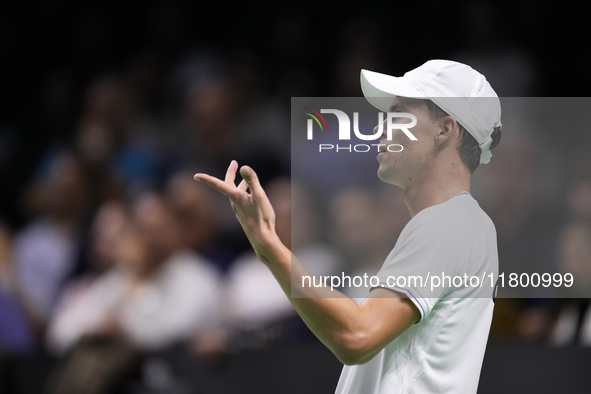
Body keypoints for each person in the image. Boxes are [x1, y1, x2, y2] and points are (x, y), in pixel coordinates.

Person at [194, 60, 502, 393]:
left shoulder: (448, 223)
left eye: (398, 115)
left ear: (445, 129)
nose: (381, 128)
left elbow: (358, 335)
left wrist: (269, 246)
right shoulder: (458, 224)